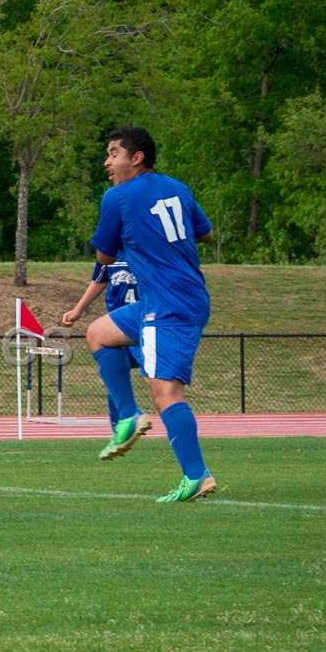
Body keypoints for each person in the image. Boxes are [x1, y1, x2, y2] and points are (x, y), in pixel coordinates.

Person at [86, 126, 217, 503]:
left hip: (168, 304)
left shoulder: (117, 197)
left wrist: (138, 237)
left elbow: (104, 258)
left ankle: (197, 476)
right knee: (98, 333)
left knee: (166, 394)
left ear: (137, 157)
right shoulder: (178, 187)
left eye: (114, 153)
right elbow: (205, 233)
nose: (107, 162)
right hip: (175, 297)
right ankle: (126, 416)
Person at [62, 256, 147, 456]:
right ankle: (120, 430)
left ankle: (134, 423)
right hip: (116, 330)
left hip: (146, 324)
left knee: (159, 382)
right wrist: (78, 310)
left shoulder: (146, 246)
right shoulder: (110, 253)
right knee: (116, 378)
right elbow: (99, 280)